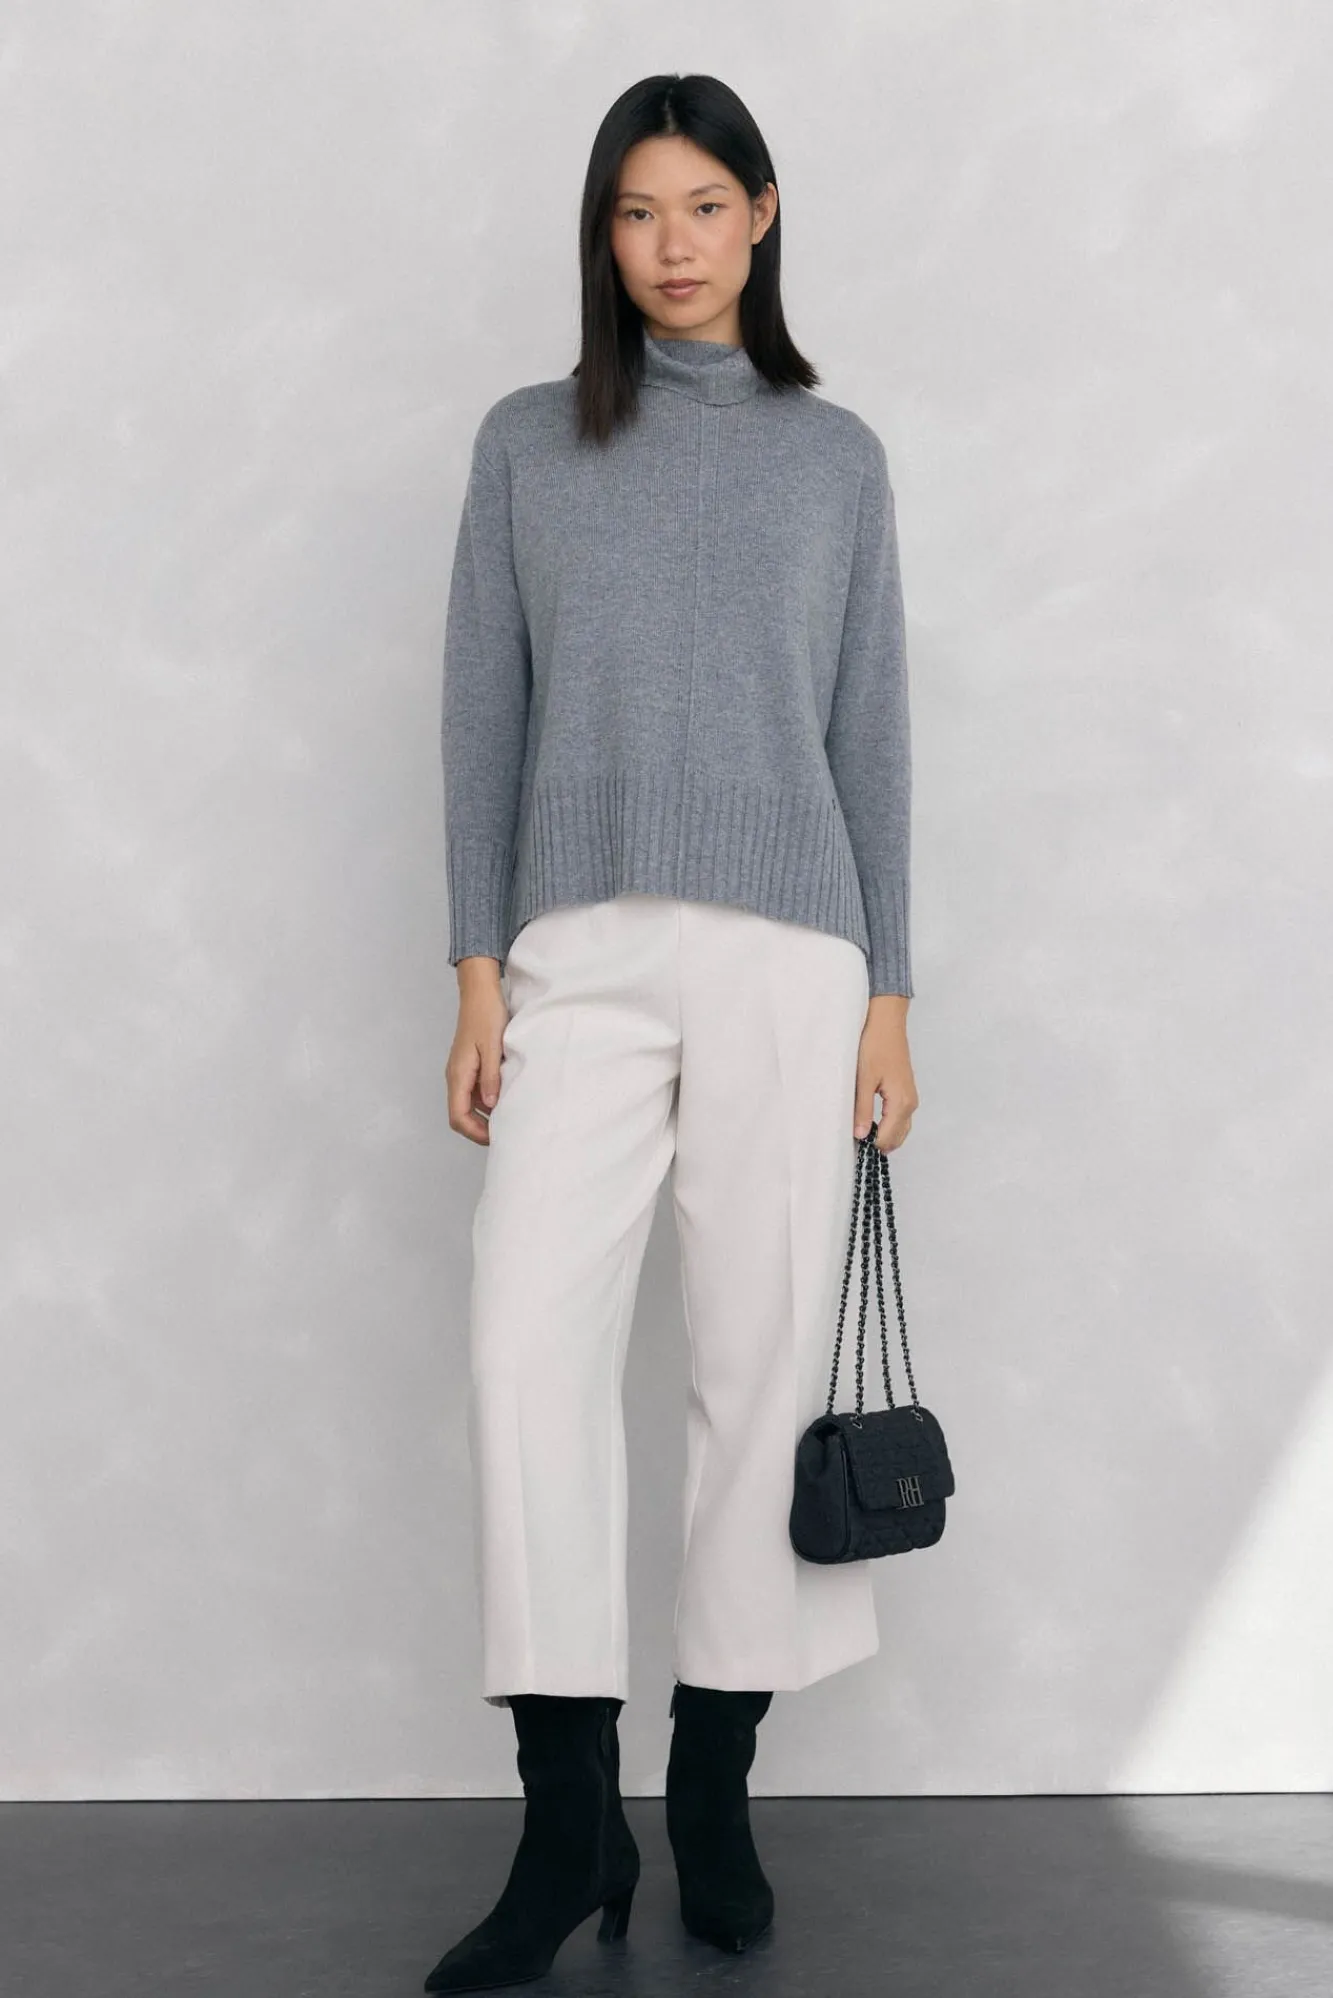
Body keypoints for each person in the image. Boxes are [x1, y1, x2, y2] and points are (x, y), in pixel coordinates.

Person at [426, 70, 918, 1995]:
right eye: (638, 212)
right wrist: (479, 968)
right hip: (581, 951)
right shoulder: (529, 442)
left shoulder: (835, 459)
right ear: (603, 234)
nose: (674, 245)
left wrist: (892, 995)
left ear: (763, 214)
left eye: (706, 206)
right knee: (521, 1343)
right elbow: (481, 712)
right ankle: (568, 1821)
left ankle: (712, 1788)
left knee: (756, 1366)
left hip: (798, 959)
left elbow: (873, 733)